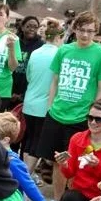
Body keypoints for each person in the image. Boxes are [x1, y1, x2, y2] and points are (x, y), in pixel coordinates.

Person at [36, 11, 101, 201]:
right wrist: (50, 106)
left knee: (78, 164)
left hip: (82, 116)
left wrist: (93, 115)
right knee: (58, 161)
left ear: (96, 32)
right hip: (57, 113)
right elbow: (54, 80)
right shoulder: (64, 50)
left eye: (90, 31)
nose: (86, 35)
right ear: (74, 29)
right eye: (82, 30)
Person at [21, 19, 63, 172]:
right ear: (59, 37)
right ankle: (26, 177)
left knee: (29, 140)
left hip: (29, 102)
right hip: (44, 105)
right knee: (37, 143)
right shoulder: (59, 54)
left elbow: (29, 77)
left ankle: (24, 174)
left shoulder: (35, 52)